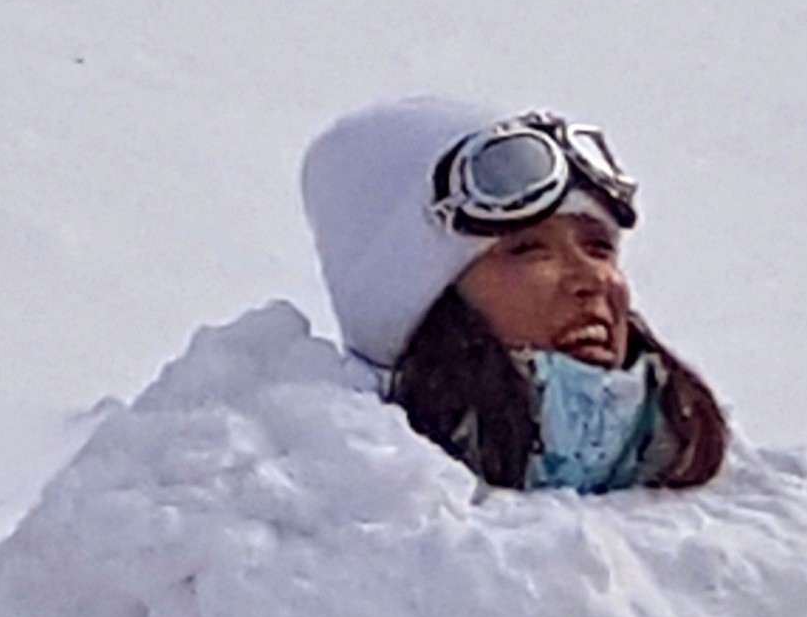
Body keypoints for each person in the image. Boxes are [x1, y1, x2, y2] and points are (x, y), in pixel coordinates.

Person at [302, 98, 727, 492]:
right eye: (528, 249)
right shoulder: (364, 531)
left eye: (599, 248)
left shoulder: (751, 526)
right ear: (429, 305)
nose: (591, 278)